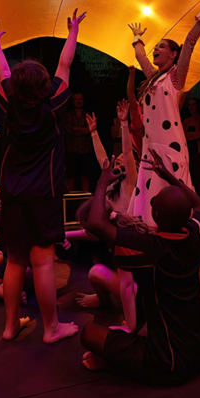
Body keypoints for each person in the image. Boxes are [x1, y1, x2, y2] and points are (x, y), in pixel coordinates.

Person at [0, 11, 85, 344]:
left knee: (14, 261)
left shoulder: (10, 103)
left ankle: (10, 327)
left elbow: (2, 70)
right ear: (43, 85)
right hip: (45, 194)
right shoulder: (53, 103)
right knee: (42, 264)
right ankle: (51, 329)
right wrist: (73, 32)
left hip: (13, 194)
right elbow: (64, 67)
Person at [80, 149, 200, 384]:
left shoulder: (148, 248)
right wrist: (170, 176)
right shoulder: (194, 235)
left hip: (169, 361)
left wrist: (102, 182)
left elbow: (95, 224)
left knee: (89, 334)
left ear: (156, 214)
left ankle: (114, 364)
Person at [127, 0, 200, 278]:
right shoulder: (153, 79)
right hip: (151, 149)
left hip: (171, 149)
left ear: (173, 54)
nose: (155, 51)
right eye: (156, 47)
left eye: (161, 47)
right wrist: (138, 40)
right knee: (148, 197)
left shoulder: (175, 80)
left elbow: (190, 43)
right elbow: (141, 59)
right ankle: (151, 250)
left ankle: (198, 254)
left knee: (178, 201)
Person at [76, 101, 141, 332]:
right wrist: (93, 133)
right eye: (118, 163)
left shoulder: (132, 186)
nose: (120, 162)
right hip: (112, 245)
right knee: (95, 268)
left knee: (125, 279)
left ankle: (132, 309)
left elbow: (127, 153)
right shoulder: (111, 192)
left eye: (123, 162)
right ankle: (104, 300)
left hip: (128, 249)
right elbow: (103, 160)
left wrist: (124, 124)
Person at [65, 93, 94, 192]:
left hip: (85, 149)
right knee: (70, 176)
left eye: (80, 99)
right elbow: (69, 131)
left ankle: (85, 199)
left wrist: (76, 129)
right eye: (76, 99)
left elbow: (89, 130)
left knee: (85, 175)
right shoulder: (68, 116)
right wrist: (83, 130)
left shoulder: (88, 115)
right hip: (71, 150)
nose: (78, 101)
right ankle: (70, 199)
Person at [183, 98, 200, 203]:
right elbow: (183, 136)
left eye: (193, 104)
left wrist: (189, 136)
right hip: (188, 152)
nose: (191, 107)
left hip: (199, 151)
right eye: (189, 105)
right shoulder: (185, 121)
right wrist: (192, 136)